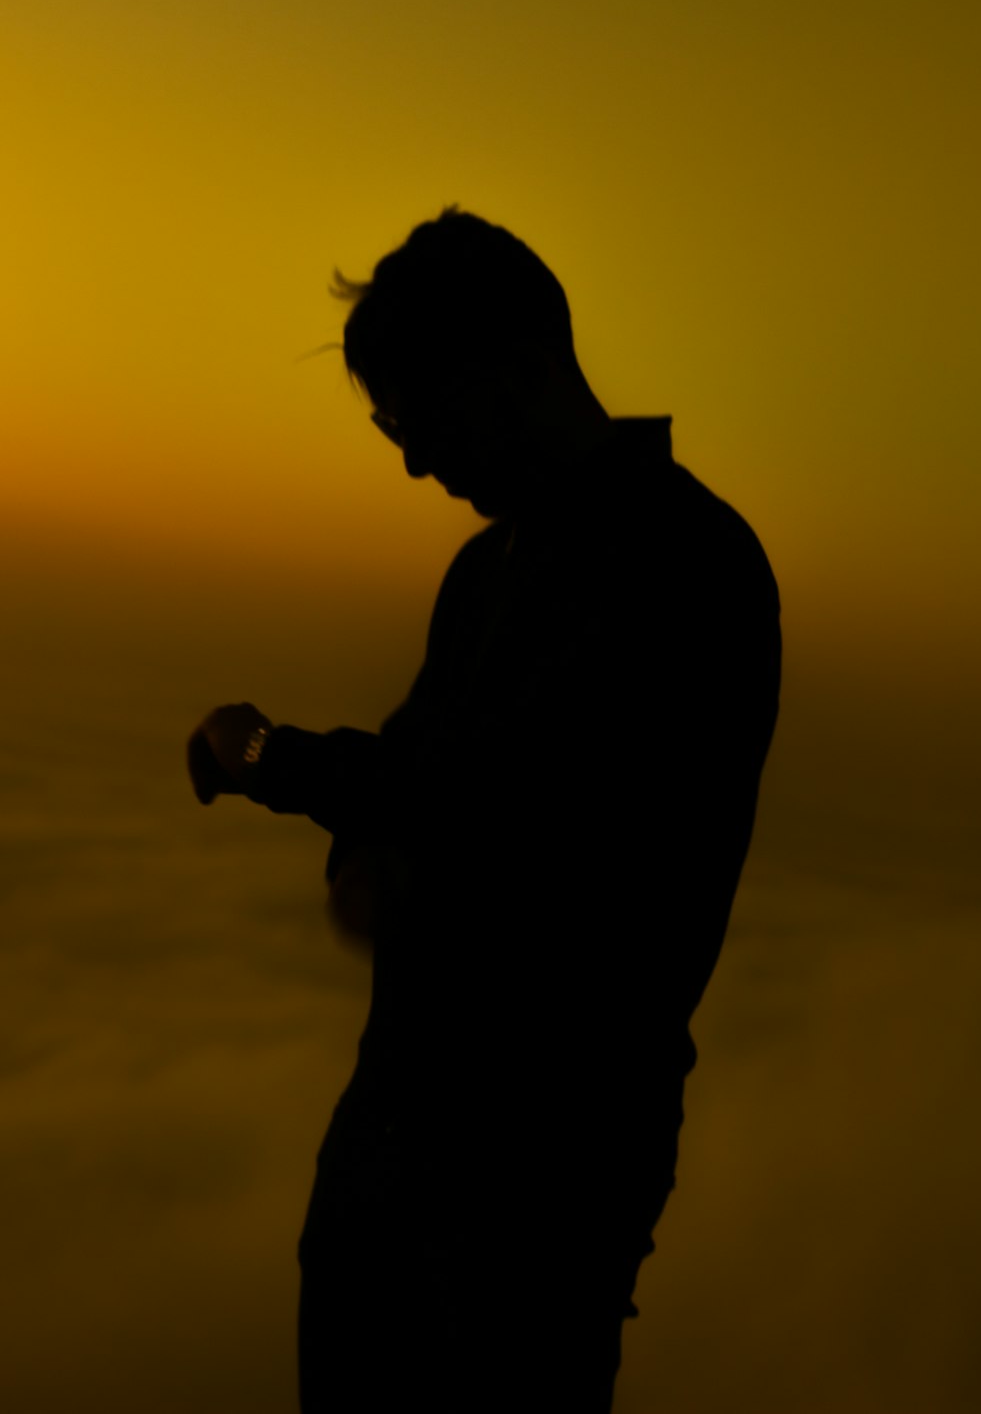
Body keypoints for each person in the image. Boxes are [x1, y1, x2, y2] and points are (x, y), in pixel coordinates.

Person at [186, 207, 781, 1412]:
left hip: (540, 1174)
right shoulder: (491, 569)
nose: (410, 461)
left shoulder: (681, 565)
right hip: (398, 1135)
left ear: (512, 371)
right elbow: (416, 792)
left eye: (419, 419)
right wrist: (366, 848)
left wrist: (269, 757)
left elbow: (490, 798)